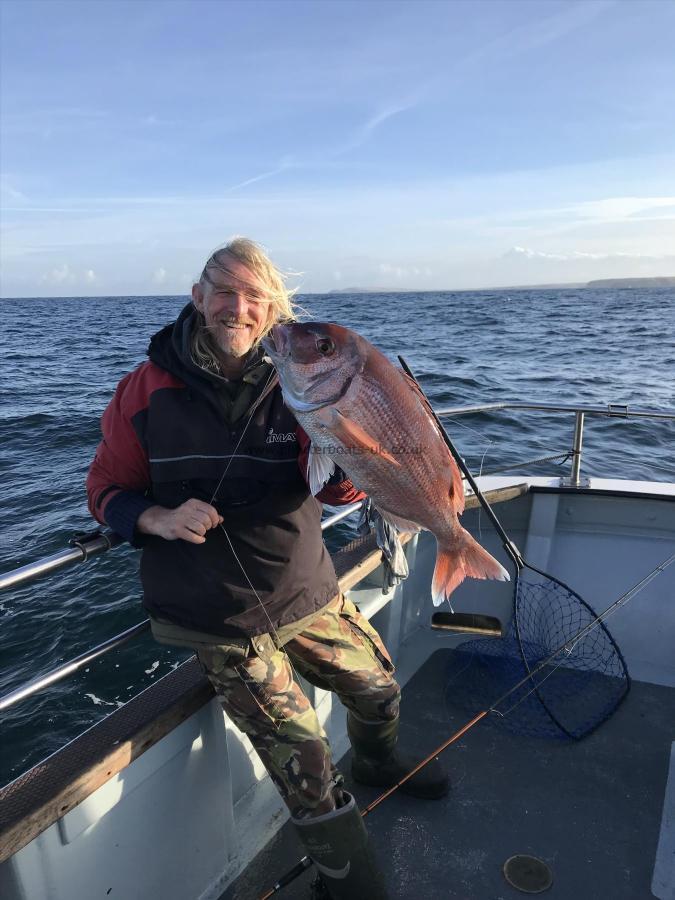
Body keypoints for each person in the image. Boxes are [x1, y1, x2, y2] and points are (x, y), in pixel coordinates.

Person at [86, 238, 448, 899]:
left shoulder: (302, 374)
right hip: (217, 614)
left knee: (378, 688)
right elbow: (106, 488)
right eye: (223, 291)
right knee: (308, 765)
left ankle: (377, 762)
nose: (238, 307)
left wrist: (365, 455)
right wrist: (152, 519)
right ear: (197, 298)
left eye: (255, 295)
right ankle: (354, 886)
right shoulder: (144, 390)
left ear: (274, 306)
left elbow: (335, 492)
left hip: (304, 586)